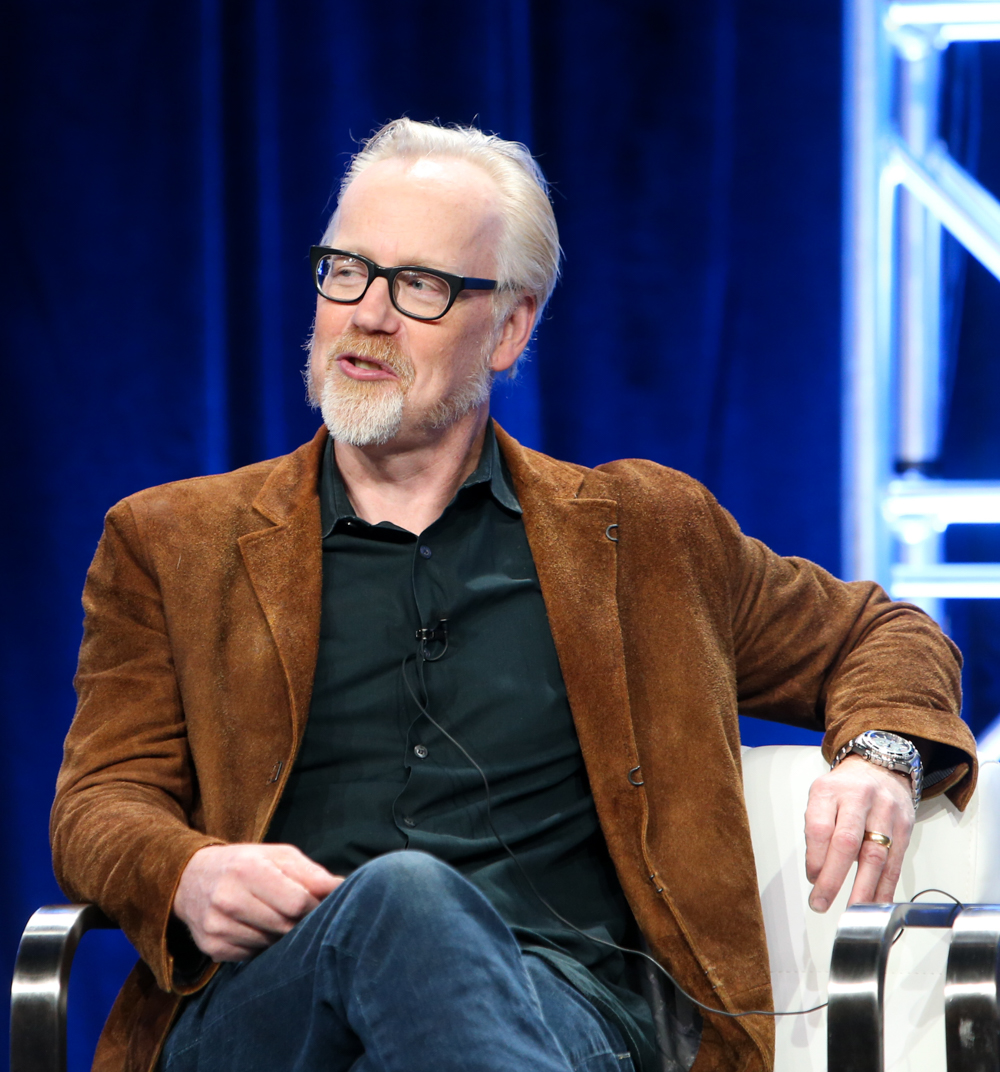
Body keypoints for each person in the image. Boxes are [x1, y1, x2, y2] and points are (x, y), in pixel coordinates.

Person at [52, 119, 976, 1072]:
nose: (368, 314)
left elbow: (883, 633)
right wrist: (185, 871)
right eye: (346, 270)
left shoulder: (644, 537)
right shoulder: (172, 542)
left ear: (511, 329)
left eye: (420, 285)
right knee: (399, 900)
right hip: (273, 1007)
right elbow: (100, 800)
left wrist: (879, 754)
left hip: (561, 1011)